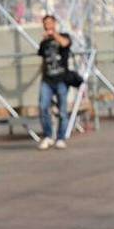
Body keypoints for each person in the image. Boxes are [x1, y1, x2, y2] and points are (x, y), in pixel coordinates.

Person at [36, 14, 72, 150]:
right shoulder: (44, 42)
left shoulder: (64, 36)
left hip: (62, 79)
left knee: (62, 110)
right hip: (47, 79)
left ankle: (61, 138)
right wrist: (44, 39)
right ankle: (48, 136)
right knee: (43, 106)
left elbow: (65, 44)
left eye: (50, 23)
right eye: (45, 24)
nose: (47, 26)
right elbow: (41, 56)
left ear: (54, 23)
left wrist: (54, 34)